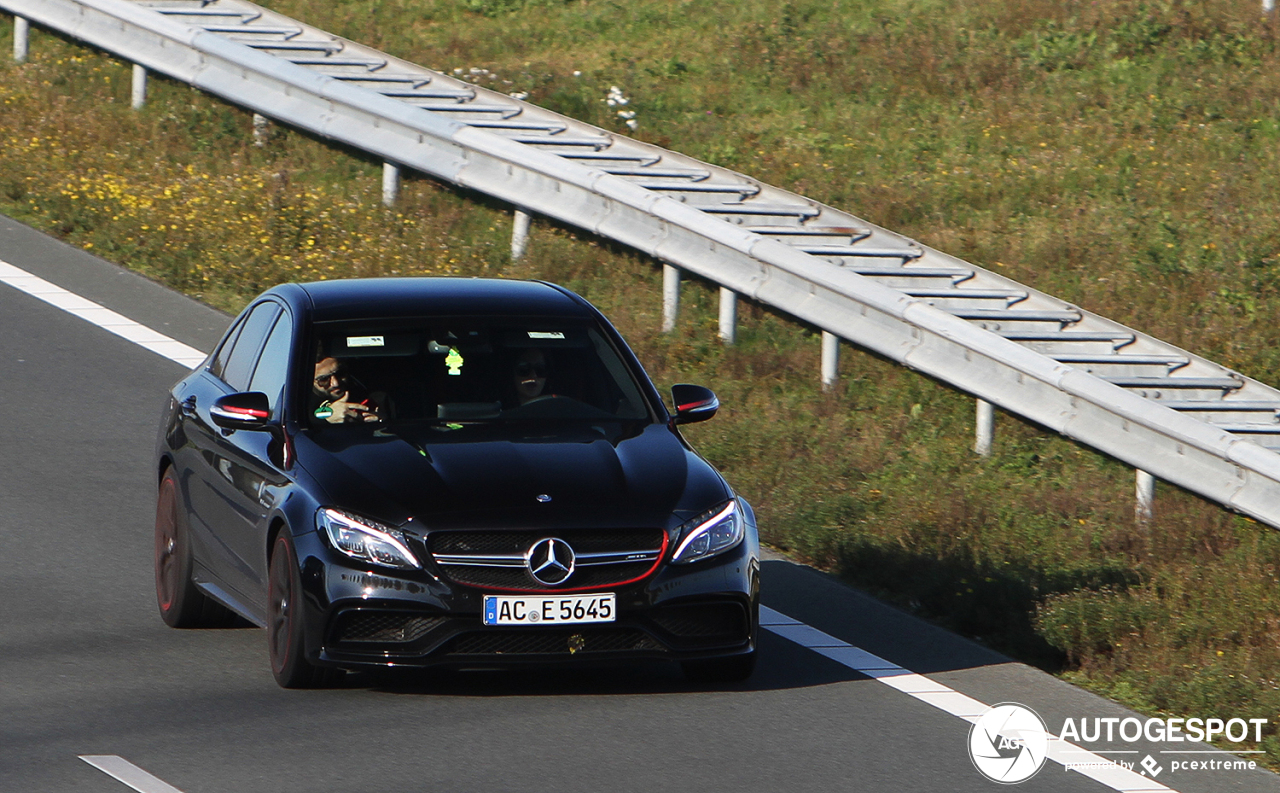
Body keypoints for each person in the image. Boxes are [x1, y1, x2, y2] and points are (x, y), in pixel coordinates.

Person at [312, 356, 380, 423]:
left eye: (340, 373)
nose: (335, 383)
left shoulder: (370, 389)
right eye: (323, 379)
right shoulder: (303, 403)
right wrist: (327, 417)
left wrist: (380, 420)